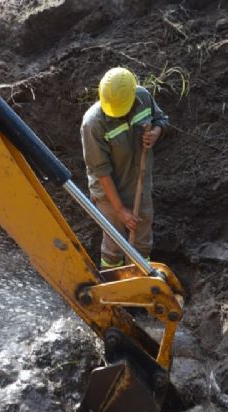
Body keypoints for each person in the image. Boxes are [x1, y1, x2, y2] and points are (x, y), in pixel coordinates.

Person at [81, 67, 169, 269]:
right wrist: (120, 209)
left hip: (139, 181)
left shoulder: (143, 98)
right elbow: (101, 171)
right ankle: (114, 289)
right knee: (115, 243)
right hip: (108, 191)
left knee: (141, 240)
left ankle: (140, 280)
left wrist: (156, 131)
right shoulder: (93, 124)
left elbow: (162, 120)